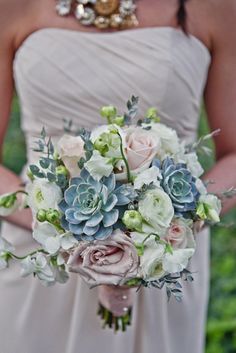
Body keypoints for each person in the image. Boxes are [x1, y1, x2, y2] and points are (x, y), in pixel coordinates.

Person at [0, 0, 236, 352]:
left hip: (162, 263)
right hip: (41, 257)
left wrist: (168, 226)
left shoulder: (216, 7)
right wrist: (60, 230)